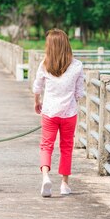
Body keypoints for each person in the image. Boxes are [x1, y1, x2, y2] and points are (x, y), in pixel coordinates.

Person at [32, 29, 85, 197]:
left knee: (46, 145)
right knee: (66, 147)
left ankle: (46, 177)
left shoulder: (45, 64)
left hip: (49, 112)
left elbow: (37, 87)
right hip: (69, 113)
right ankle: (64, 184)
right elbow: (79, 93)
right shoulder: (77, 66)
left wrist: (37, 102)